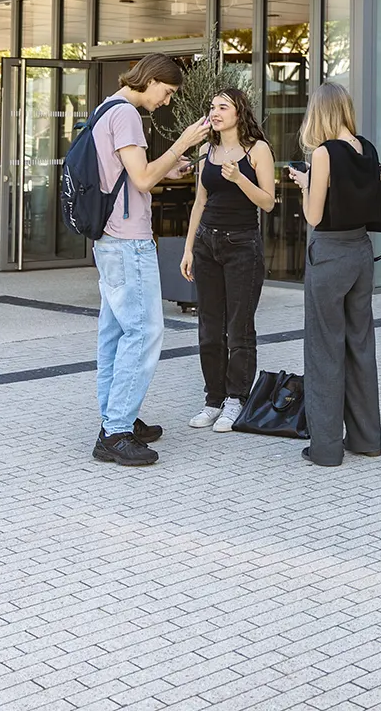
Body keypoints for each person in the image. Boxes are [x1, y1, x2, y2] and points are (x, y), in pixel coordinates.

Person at [90, 53, 213, 468]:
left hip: (109, 240)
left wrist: (167, 166)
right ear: (152, 79)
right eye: (167, 91)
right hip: (127, 242)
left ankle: (116, 418)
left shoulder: (106, 107)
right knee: (144, 332)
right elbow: (141, 179)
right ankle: (116, 432)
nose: (166, 100)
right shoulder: (126, 114)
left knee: (115, 334)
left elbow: (132, 175)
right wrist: (182, 144)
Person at [286, 82, 381, 467]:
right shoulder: (366, 147)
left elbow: (314, 216)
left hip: (329, 255)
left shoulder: (324, 153)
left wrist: (307, 183)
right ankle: (366, 439)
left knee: (324, 348)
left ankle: (326, 448)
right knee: (360, 344)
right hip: (361, 253)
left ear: (320, 112)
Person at [180, 87, 276, 431]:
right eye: (212, 105)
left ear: (239, 113)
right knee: (209, 329)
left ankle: (237, 399)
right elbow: (199, 202)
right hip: (207, 243)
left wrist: (238, 178)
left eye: (223, 106)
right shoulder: (208, 149)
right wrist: (189, 247)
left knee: (239, 328)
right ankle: (213, 399)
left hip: (242, 246)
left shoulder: (257, 150)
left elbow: (267, 202)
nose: (215, 111)